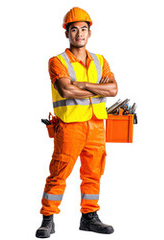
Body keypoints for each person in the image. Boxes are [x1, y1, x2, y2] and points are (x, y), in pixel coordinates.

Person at [35, 7, 120, 239]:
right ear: (67, 33)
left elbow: (113, 90)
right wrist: (95, 88)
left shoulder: (100, 61)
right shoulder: (57, 61)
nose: (79, 34)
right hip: (70, 126)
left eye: (83, 29)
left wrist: (81, 85)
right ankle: (48, 219)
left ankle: (89, 217)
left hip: (96, 126)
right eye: (74, 30)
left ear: (89, 33)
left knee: (93, 172)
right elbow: (65, 90)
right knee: (59, 172)